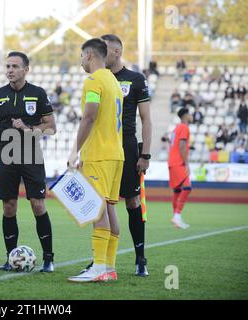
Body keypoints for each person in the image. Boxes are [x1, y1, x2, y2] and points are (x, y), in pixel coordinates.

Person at [0, 51, 57, 273]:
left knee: (37, 204)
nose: (10, 70)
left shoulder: (38, 94)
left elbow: (51, 127)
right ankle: (10, 257)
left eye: (15, 66)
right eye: (7, 66)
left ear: (26, 69)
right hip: (7, 156)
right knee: (8, 207)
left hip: (31, 155)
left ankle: (48, 259)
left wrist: (29, 129)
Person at [67, 38, 124, 283]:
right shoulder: (113, 80)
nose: (80, 61)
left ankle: (98, 267)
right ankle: (109, 267)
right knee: (109, 208)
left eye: (81, 56)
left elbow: (89, 116)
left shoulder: (93, 80)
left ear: (89, 55)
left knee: (97, 208)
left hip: (98, 154)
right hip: (116, 154)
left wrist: (74, 151)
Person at [101, 34, 152, 276]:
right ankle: (102, 261)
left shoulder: (135, 79)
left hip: (128, 149)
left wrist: (146, 155)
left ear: (117, 52)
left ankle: (140, 258)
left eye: (106, 50)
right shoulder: (97, 78)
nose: (101, 54)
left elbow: (146, 119)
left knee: (132, 202)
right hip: (102, 150)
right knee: (101, 204)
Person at [168, 108, 193, 229]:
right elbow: (182, 146)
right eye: (190, 114)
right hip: (178, 162)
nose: (191, 116)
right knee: (187, 187)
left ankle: (176, 218)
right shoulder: (184, 127)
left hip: (172, 162)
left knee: (177, 190)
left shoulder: (176, 128)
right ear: (185, 115)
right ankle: (177, 215)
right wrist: (186, 163)